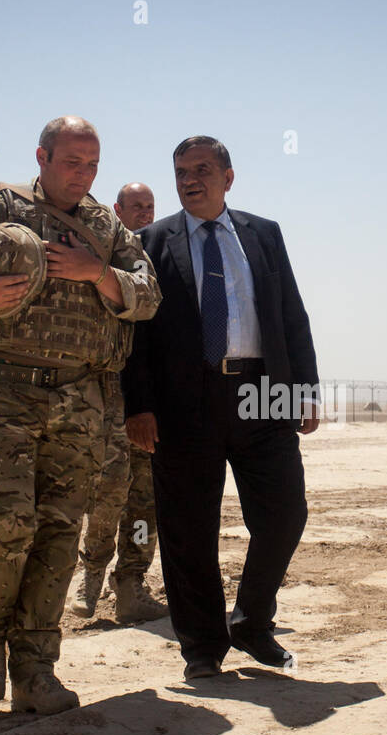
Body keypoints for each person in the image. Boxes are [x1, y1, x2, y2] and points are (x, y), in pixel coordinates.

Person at [0, 116, 160, 714]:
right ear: (42, 157)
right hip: (3, 389)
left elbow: (147, 294)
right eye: (73, 162)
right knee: (6, 521)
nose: (84, 175)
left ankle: (35, 669)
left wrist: (95, 272)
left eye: (93, 165)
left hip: (82, 397)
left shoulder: (104, 227)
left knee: (58, 528)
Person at [123, 136, 320, 681]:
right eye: (182, 172)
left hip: (262, 392)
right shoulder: (150, 242)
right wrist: (137, 406)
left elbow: (291, 314)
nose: (191, 180)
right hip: (184, 403)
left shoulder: (264, 234)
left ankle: (253, 622)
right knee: (189, 529)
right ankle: (202, 647)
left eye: (203, 170)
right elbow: (134, 334)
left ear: (228, 178)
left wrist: (304, 387)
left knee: (285, 514)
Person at [75, 182, 167, 624]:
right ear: (117, 210)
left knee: (146, 501)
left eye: (150, 206)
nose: (146, 213)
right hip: (104, 401)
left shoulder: (155, 265)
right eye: (137, 206)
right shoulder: (99, 262)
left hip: (149, 405)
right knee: (106, 494)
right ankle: (91, 573)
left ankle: (131, 584)